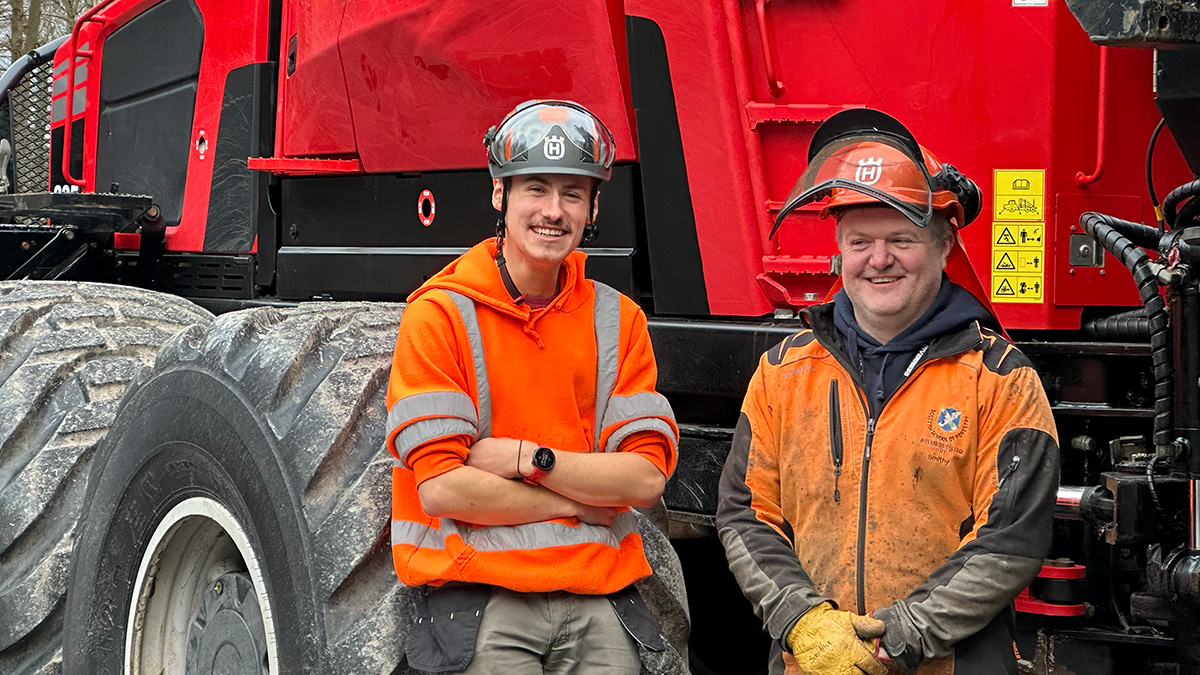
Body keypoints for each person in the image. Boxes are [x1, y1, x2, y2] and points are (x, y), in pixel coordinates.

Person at [717, 109, 1060, 675]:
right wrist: (803, 622)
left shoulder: (1000, 378)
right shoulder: (783, 371)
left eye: (901, 238)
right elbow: (745, 515)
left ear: (944, 245)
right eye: (860, 241)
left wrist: (895, 641)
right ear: (839, 250)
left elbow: (1009, 541)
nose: (879, 260)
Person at [384, 99, 679, 674]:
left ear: (593, 207)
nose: (553, 211)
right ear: (500, 196)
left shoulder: (617, 322)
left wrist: (527, 458)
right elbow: (442, 490)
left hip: (596, 595)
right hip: (484, 596)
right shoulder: (439, 315)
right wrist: (575, 499)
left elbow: (644, 479)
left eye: (573, 193)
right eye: (536, 189)